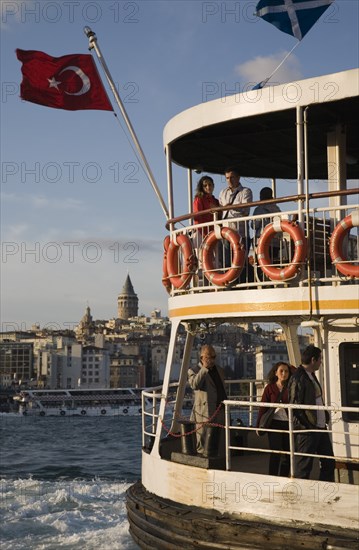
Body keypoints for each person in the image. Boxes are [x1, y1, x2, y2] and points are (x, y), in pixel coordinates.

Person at [288, 345, 335, 481]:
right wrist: (307, 426)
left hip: (319, 427)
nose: (321, 362)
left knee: (328, 462)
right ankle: (300, 495)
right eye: (320, 359)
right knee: (304, 466)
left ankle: (325, 491)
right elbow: (294, 406)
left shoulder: (310, 376)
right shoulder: (298, 378)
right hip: (308, 430)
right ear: (313, 360)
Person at [187, 344, 227, 455]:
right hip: (205, 411)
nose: (212, 360)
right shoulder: (193, 370)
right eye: (209, 357)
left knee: (220, 436)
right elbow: (195, 385)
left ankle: (219, 458)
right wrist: (204, 369)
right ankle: (202, 459)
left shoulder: (219, 370)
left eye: (214, 357)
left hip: (220, 408)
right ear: (202, 358)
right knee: (203, 438)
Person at [256, 362, 291, 477]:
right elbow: (263, 407)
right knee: (275, 451)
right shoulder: (270, 388)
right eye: (281, 371)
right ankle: (273, 476)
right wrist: (258, 425)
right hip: (274, 423)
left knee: (288, 453)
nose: (284, 373)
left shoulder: (291, 387)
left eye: (286, 371)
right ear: (276, 372)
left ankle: (284, 476)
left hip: (288, 423)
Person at [219, 169, 253, 281]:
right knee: (228, 262)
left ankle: (243, 283)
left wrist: (230, 207)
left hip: (241, 234)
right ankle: (231, 285)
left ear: (238, 178)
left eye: (232, 177)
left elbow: (246, 209)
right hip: (226, 234)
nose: (230, 180)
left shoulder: (246, 191)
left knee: (241, 262)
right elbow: (221, 210)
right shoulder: (222, 193)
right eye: (227, 178)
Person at [252, 187, 281, 258]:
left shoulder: (259, 209)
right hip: (276, 241)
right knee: (273, 263)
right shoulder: (277, 209)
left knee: (262, 263)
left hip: (263, 241)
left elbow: (254, 225)